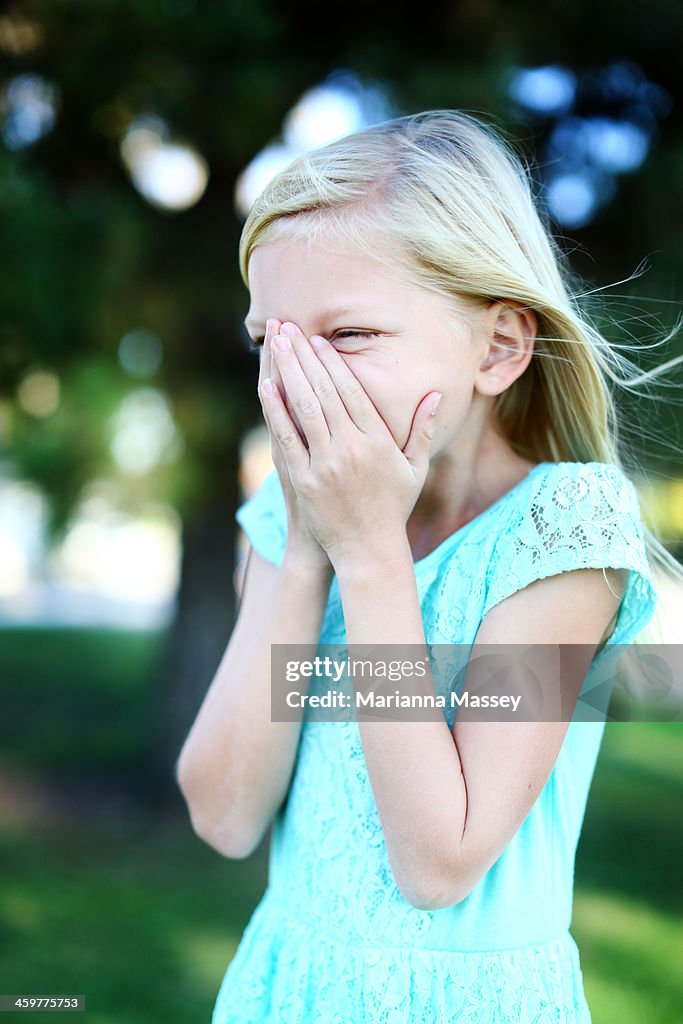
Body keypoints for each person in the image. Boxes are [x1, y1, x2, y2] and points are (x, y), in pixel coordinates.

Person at [176, 110, 683, 1023]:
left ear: (497, 348)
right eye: (270, 342)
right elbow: (222, 817)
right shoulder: (287, 518)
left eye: (350, 336)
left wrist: (368, 556)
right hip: (281, 991)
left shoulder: (560, 534)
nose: (296, 384)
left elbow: (437, 861)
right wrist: (306, 553)